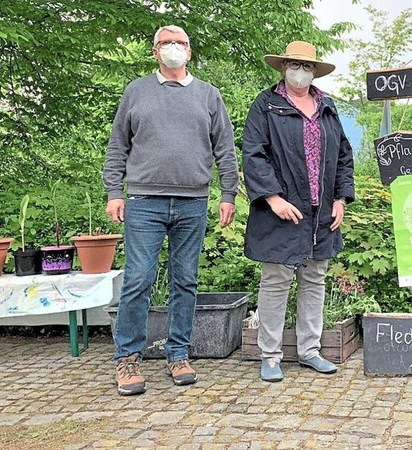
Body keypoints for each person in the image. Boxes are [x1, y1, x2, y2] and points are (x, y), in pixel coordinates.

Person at [103, 25, 239, 395]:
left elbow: (225, 148)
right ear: (155, 52)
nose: (173, 48)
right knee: (138, 280)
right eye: (166, 43)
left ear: (190, 52)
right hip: (144, 201)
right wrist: (114, 192)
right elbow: (117, 146)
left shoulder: (208, 95)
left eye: (180, 43)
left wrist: (229, 193)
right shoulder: (136, 92)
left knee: (185, 281)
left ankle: (178, 353)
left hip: (193, 202)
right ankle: (127, 359)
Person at [242, 41, 354, 382]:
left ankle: (310, 351)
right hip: (281, 210)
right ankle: (271, 355)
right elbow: (253, 153)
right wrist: (272, 198)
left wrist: (341, 199)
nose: (300, 71)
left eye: (307, 67)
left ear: (315, 72)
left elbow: (344, 157)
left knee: (314, 278)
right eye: (294, 65)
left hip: (322, 212)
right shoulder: (266, 104)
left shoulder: (328, 107)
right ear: (282, 67)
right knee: (276, 280)